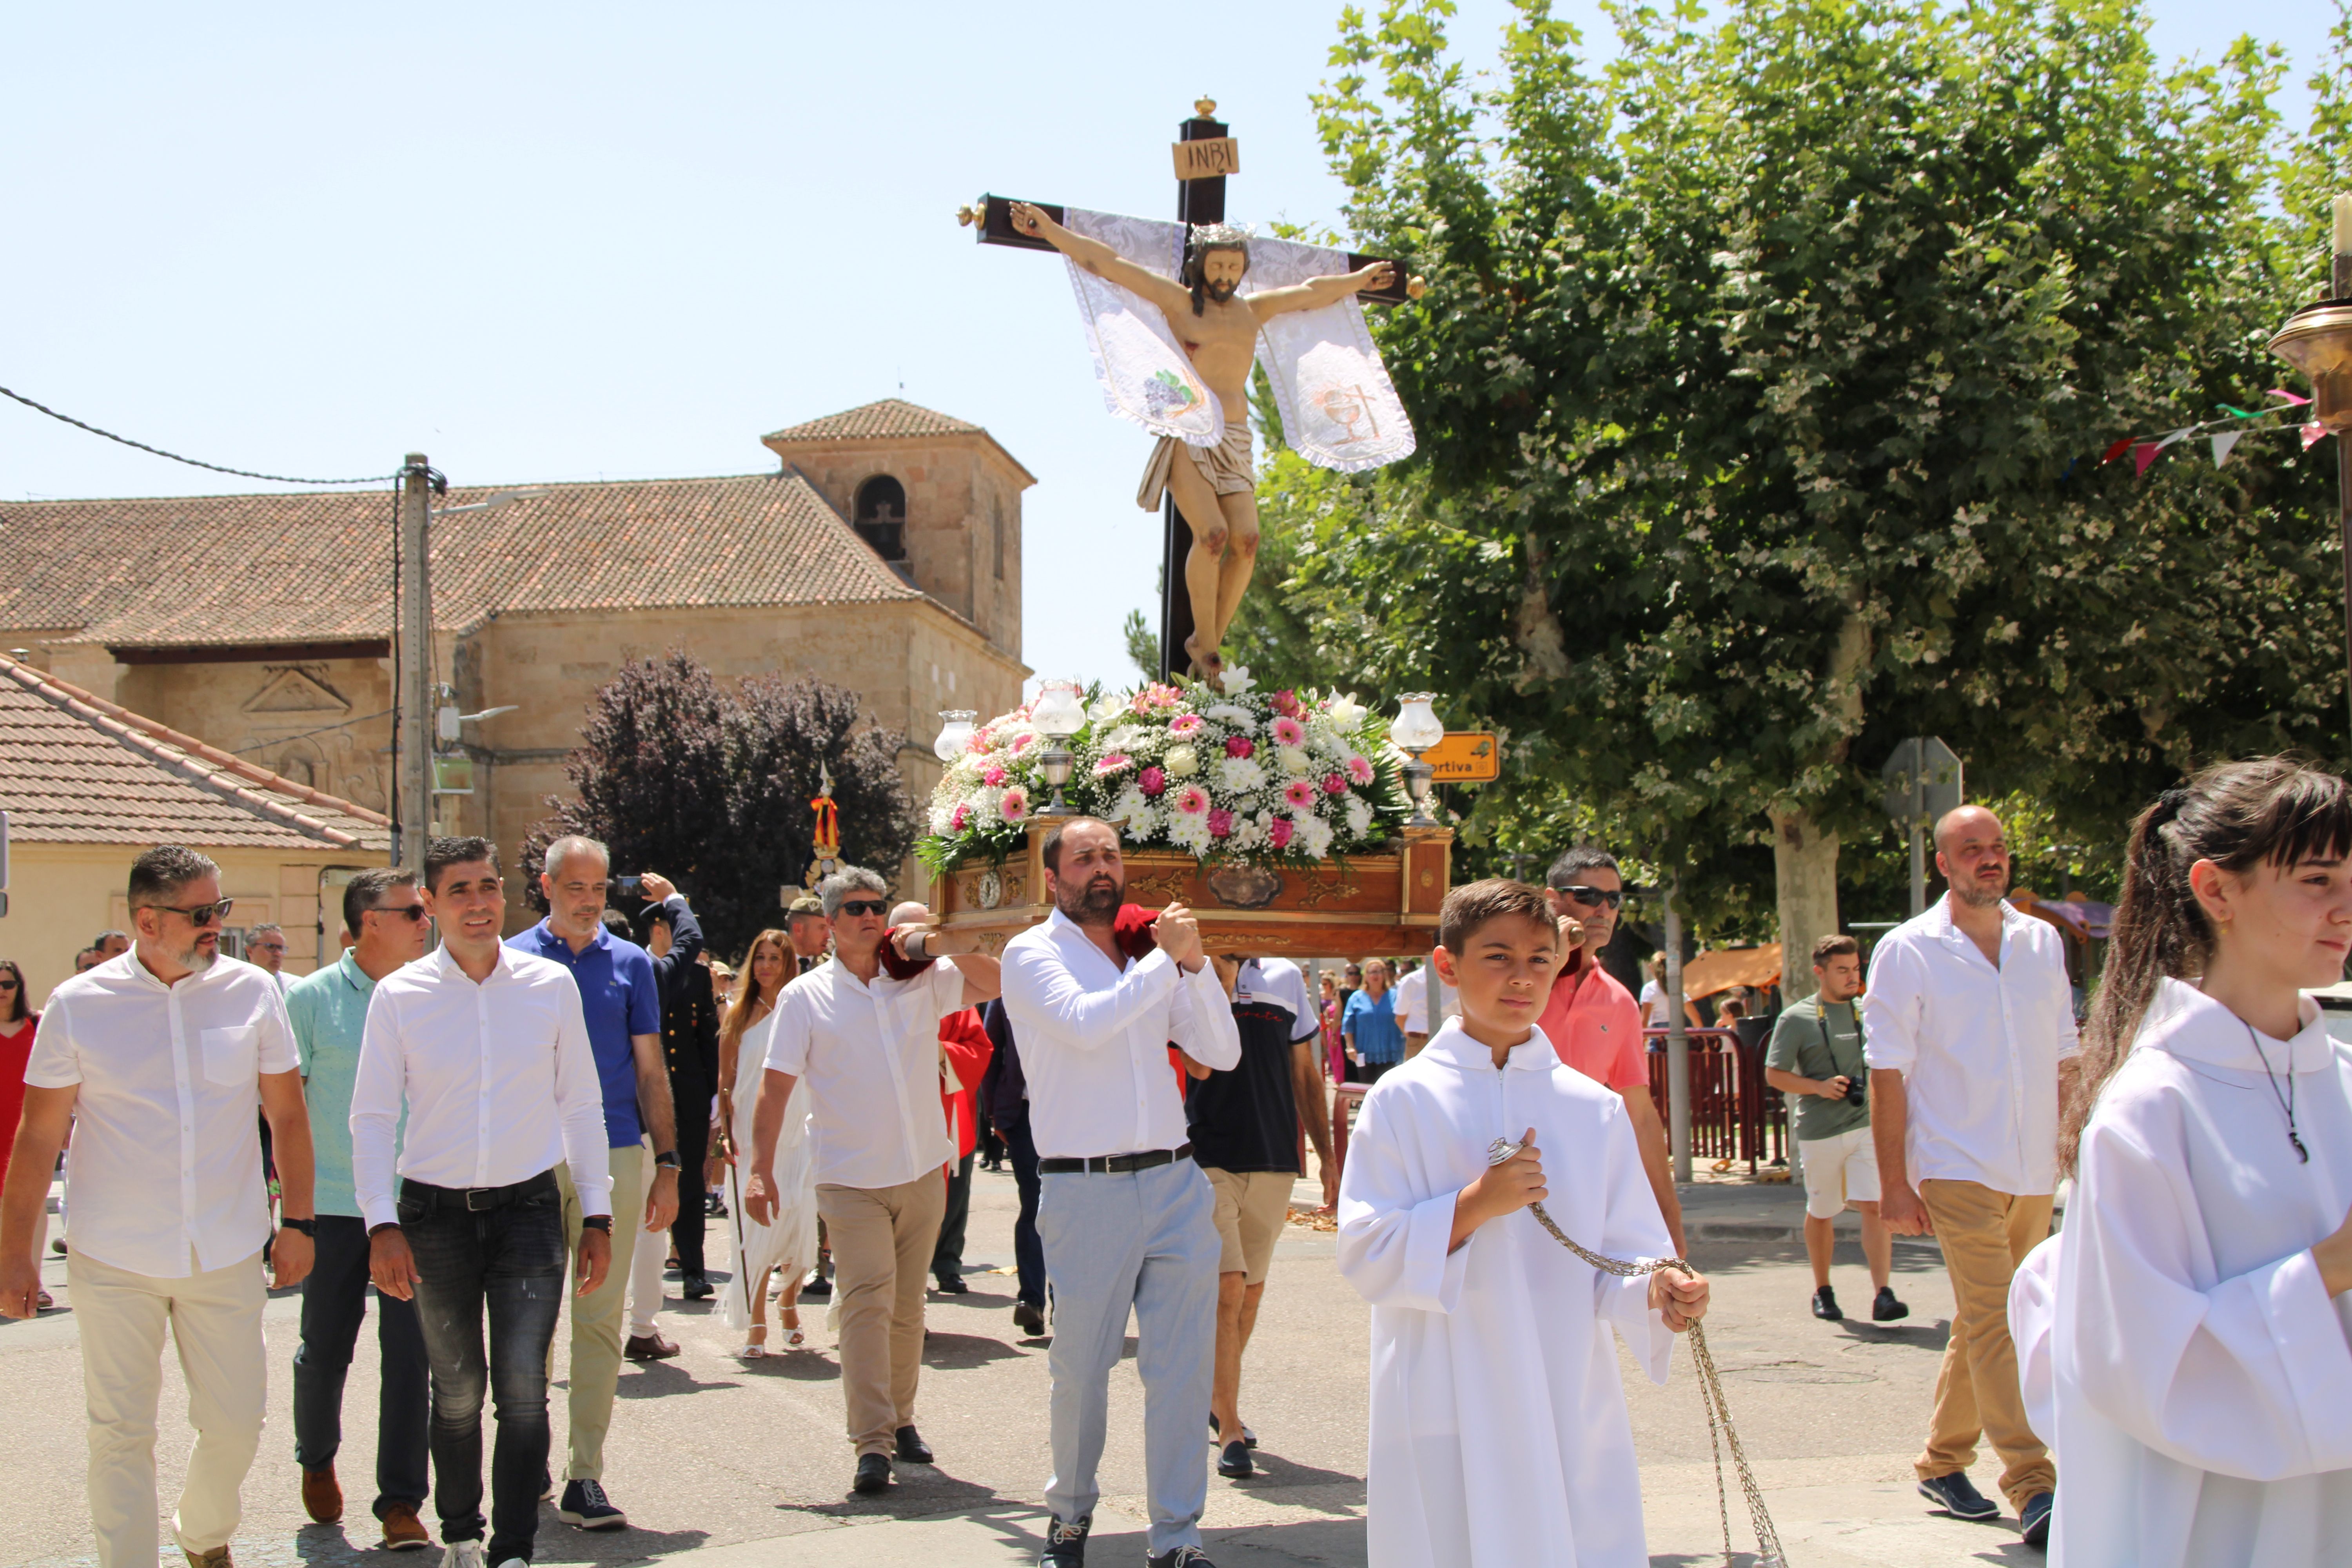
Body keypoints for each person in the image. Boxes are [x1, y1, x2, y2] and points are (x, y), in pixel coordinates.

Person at [2001, 760, 2352, 1566]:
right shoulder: (2150, 1110)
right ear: (2217, 890)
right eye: (2316, 877)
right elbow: (2138, 1367)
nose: (2345, 907)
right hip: (2206, 1522)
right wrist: (2329, 1267)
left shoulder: (2340, 1079)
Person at [1336, 878, 1707, 1568]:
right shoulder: (1403, 1100)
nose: (1522, 978)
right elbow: (1364, 1251)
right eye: (1498, 957)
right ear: (1448, 967)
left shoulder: (1590, 1107)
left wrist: (1661, 1290)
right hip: (1446, 1381)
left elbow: (1627, 1254)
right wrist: (1476, 1203)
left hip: (1562, 1379)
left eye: (1540, 960)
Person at [0, 846, 317, 1568]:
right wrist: (15, 1256)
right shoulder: (80, 1007)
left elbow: (290, 1118)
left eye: (220, 910)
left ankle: (203, 1534)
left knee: (237, 1424)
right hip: (113, 1256)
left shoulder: (254, 992)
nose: (217, 927)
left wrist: (296, 1223)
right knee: (119, 1433)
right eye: (201, 915)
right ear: (147, 920)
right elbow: (37, 1136)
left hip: (228, 1247)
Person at [352, 836, 614, 1568]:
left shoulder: (548, 986)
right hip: (432, 1216)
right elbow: (371, 1118)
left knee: (525, 1390)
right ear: (431, 905)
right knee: (459, 1389)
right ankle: (462, 1533)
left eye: (489, 887)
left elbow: (582, 1104)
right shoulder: (399, 997)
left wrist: (596, 1215)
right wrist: (380, 1223)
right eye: (460, 891)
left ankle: (514, 1548)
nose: (478, 904)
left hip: (531, 1211)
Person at [1006, 203, 1396, 678]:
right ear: (1199, 266)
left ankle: (1211, 641)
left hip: (1235, 438)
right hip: (1191, 431)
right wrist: (1051, 230)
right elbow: (1107, 263)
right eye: (1217, 265)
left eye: (1234, 266)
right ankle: (1206, 644)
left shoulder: (1253, 311)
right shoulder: (1177, 303)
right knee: (1212, 535)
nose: (1226, 274)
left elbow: (1312, 293)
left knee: (1247, 540)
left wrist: (1359, 281)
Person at [999, 817, 1241, 1568]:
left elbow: (1221, 1053)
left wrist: (1197, 968)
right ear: (1053, 879)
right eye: (1083, 858)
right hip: (1086, 1188)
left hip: (1174, 1181)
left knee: (1180, 1367)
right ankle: (1070, 1519)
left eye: (1110, 855)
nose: (1101, 868)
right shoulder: (1031, 953)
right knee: (1082, 1368)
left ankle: (1176, 1537)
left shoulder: (1151, 959)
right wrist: (1167, 965)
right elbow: (1084, 1024)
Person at [743, 868, 1002, 1497]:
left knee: (908, 1310)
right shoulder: (807, 999)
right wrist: (758, 1170)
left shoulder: (920, 980)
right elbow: (774, 1090)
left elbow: (999, 981)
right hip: (850, 1178)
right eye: (856, 908)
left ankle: (901, 1419)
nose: (870, 916)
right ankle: (872, 1443)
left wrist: (939, 943)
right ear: (830, 925)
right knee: (867, 1303)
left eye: (878, 906)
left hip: (921, 1169)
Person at [1864, 804, 2074, 1541]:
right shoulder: (1908, 950)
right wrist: (1894, 1182)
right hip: (1955, 1164)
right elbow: (1886, 1072)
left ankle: (1942, 1459)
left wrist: (2074, 1147)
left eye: (1998, 848)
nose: (1990, 859)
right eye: (1971, 850)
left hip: (2035, 1163)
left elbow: (2065, 1054)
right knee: (1996, 1319)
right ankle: (2032, 1481)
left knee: (1994, 1320)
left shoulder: (2042, 941)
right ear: (1943, 866)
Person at [505, 839, 682, 1531]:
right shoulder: (512, 958)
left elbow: (650, 1069)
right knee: (528, 1321)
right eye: (575, 887)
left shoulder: (632, 964)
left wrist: (667, 1161)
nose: (588, 900)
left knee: (599, 1321)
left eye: (598, 888)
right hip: (528, 1155)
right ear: (547, 887)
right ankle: (527, 1465)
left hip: (613, 1154)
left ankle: (586, 1475)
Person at [284, 867, 434, 1548]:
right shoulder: (312, 1001)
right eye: (411, 912)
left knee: (411, 1358)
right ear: (371, 920)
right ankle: (316, 1457)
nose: (424, 922)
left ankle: (401, 1501)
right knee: (325, 1352)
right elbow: (284, 1111)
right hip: (336, 1209)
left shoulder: (434, 996)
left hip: (413, 1204)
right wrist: (291, 1207)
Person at [1192, 953, 1336, 1481]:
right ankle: (1230, 1427)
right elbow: (1195, 1060)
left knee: (1250, 1292)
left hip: (1274, 1154)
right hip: (1204, 1154)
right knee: (1227, 1287)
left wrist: (1328, 1160)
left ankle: (1214, 1395)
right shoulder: (1186, 969)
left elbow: (1306, 1073)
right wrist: (1222, 986)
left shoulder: (1284, 976)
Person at [1541, 846, 1687, 1255]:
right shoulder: (1521, 981)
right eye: (1589, 896)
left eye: (1615, 899)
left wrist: (1669, 1218)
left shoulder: (1621, 1000)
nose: (1604, 908)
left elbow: (1640, 1112)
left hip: (1586, 1179)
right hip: (1509, 1172)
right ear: (1553, 900)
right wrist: (1554, 952)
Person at [1763, 934, 1906, 1325]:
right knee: (1823, 1210)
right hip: (1819, 1129)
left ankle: (1883, 1293)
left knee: (1875, 1206)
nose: (1852, 977)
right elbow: (1774, 1074)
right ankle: (1823, 1290)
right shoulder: (1797, 1017)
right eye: (1842, 970)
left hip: (1864, 1124)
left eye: (1856, 968)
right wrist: (1819, 1087)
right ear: (1820, 972)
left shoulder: (1869, 1011)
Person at [622, 893, 720, 1365]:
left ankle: (689, 1272)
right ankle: (640, 1325)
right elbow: (694, 937)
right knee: (649, 1222)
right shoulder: (648, 972)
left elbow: (704, 1037)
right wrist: (677, 897)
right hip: (642, 1115)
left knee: (664, 1203)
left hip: (658, 1102)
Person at [717, 930, 817, 1357]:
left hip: (800, 1130)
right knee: (756, 1229)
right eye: (759, 958)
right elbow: (725, 1084)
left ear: (788, 963)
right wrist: (723, 1133)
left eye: (775, 958)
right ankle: (756, 1321)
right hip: (749, 1133)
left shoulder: (803, 1008)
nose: (766, 966)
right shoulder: (737, 1016)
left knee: (800, 1223)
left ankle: (789, 1300)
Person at [977, 999, 1049, 1337]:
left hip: (1075, 1115)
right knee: (1035, 1206)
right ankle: (1031, 1301)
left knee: (1073, 1209)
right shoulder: (1007, 988)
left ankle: (1066, 1302)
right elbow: (990, 1052)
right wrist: (994, 1112)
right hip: (1024, 1117)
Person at [926, 953, 996, 1297]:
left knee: (955, 1188)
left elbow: (978, 1047)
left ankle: (947, 1262)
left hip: (949, 1104)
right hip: (899, 1108)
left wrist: (941, 1052)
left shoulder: (954, 991)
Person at [0, 958, 49, 1308]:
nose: (1, 992)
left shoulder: (39, 1023)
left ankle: (37, 1281)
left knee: (32, 1201)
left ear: (19, 987)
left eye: (7, 984)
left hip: (31, 1126)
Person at [1341, 958, 1404, 1083]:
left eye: (1379, 972)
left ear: (1384, 975)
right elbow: (1348, 1025)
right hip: (1364, 1055)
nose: (1375, 975)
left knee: (1390, 1090)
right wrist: (1350, 1047)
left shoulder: (1396, 996)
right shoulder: (1357, 998)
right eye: (1371, 972)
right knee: (1367, 1091)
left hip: (1392, 1053)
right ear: (1366, 976)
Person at [1392, 955, 1454, 1060]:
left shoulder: (1455, 979)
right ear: (1422, 957)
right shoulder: (1410, 981)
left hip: (1449, 1041)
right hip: (1418, 1042)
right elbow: (1400, 1018)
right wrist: (1415, 1039)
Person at [246, 924, 289, 990]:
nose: (278, 954)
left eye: (281, 948)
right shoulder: (237, 984)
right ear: (250, 951)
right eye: (270, 947)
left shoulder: (295, 988)